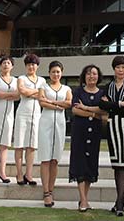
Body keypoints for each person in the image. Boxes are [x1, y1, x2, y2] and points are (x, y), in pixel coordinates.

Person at [100, 55, 124, 216]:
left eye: (123, 67)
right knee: (116, 163)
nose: (121, 70)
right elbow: (102, 104)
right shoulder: (108, 86)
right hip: (113, 125)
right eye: (118, 67)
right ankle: (120, 199)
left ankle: (120, 201)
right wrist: (121, 103)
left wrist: (112, 104)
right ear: (114, 69)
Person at [70, 64, 104, 212]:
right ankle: (83, 200)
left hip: (95, 133)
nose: (91, 76)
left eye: (94, 74)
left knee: (90, 163)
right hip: (80, 132)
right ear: (84, 76)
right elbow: (75, 110)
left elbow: (104, 111)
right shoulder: (78, 91)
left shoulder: (102, 93)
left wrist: (86, 108)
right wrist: (93, 114)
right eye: (89, 74)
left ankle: (84, 198)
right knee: (80, 163)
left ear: (98, 76)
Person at [38, 61, 71, 207]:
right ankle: (46, 192)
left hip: (60, 124)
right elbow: (42, 102)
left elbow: (69, 103)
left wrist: (51, 102)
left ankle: (51, 190)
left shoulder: (66, 88)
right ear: (49, 73)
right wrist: (58, 105)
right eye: (53, 72)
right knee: (45, 158)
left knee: (55, 159)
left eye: (58, 71)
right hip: (45, 123)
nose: (55, 74)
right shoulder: (43, 86)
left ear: (61, 73)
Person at [14, 54, 45, 186]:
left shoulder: (42, 80)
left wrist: (31, 92)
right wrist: (36, 92)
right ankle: (19, 173)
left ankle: (29, 174)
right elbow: (22, 91)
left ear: (37, 66)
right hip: (23, 113)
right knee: (20, 144)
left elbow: (43, 95)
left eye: (33, 64)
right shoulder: (21, 78)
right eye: (28, 64)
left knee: (32, 145)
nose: (31, 67)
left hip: (36, 113)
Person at [0, 56, 19, 183]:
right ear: (0, 65)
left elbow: (18, 96)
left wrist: (5, 95)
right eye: (4, 63)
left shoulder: (15, 80)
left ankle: (2, 171)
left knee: (5, 143)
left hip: (9, 113)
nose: (6, 65)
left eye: (8, 63)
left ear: (12, 66)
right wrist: (10, 95)